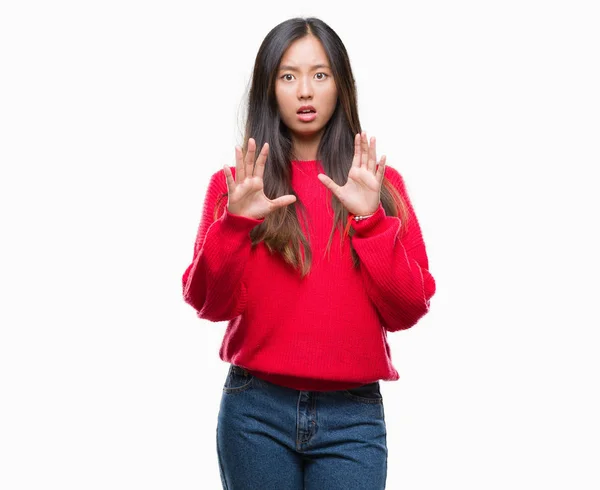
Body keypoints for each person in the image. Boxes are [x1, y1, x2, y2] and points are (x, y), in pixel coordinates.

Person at [181, 16, 435, 490]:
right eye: (288, 75)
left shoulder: (379, 184)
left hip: (352, 418)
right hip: (255, 411)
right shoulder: (235, 186)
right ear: (269, 86)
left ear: (341, 85)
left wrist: (370, 221)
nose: (304, 91)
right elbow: (206, 303)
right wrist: (235, 222)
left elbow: (409, 307)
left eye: (320, 75)